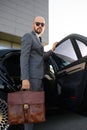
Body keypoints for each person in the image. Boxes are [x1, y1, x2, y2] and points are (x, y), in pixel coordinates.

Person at [20, 16, 57, 130]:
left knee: (34, 107)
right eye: (38, 23)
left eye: (42, 24)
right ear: (33, 25)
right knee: (29, 107)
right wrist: (25, 79)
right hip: (31, 79)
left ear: (44, 27)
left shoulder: (38, 40)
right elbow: (24, 57)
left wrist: (52, 50)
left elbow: (42, 57)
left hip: (39, 78)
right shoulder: (28, 36)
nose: (40, 26)